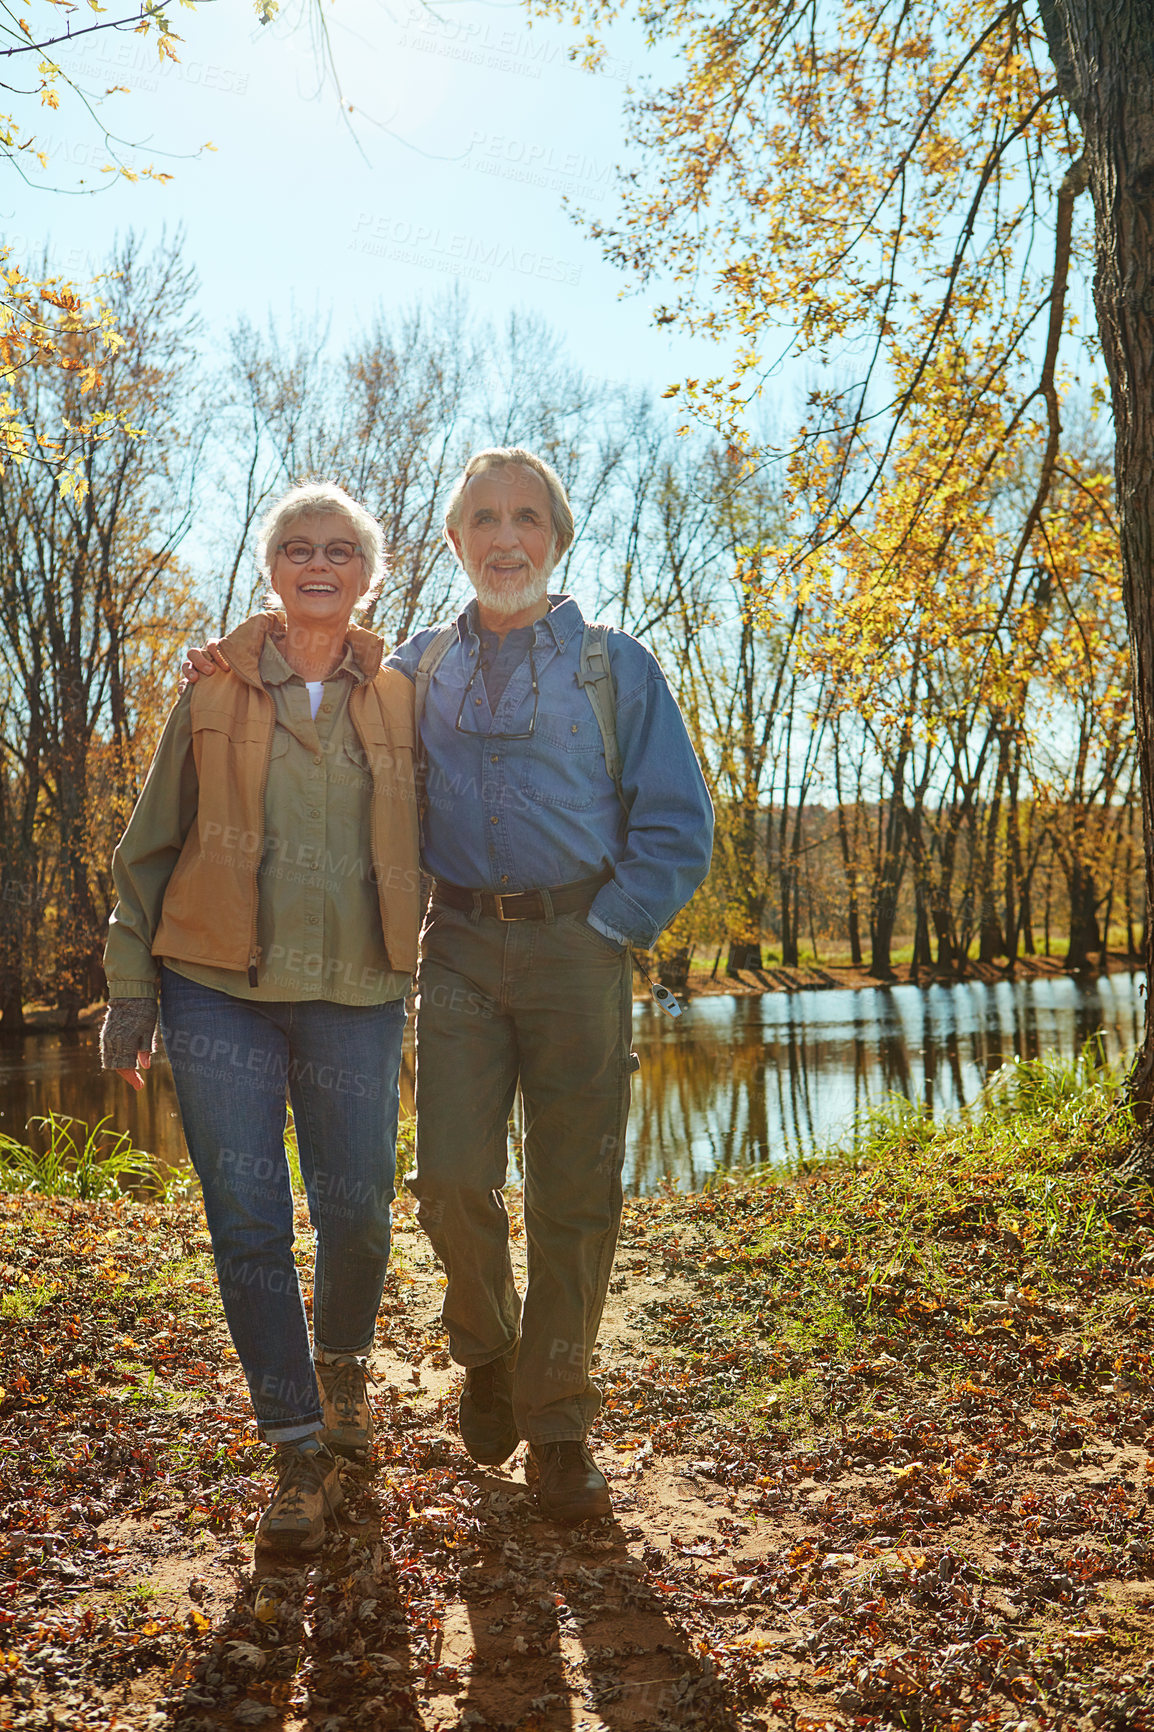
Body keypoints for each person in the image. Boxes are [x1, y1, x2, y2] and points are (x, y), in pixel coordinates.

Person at [188, 447, 714, 1524]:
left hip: (580, 946)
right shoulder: (415, 668)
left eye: (526, 517)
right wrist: (224, 665)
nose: (505, 536)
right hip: (458, 947)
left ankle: (558, 1422)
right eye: (483, 518)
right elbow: (311, 695)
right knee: (448, 1183)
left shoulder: (616, 667)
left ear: (555, 538)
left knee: (574, 1196)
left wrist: (607, 927)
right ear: (454, 541)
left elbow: (676, 828)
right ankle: (488, 1348)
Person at [101, 482, 420, 1553]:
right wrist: (131, 986)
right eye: (296, 547)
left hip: (360, 992)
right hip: (213, 987)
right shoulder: (211, 688)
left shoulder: (403, 696)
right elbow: (148, 846)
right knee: (247, 1220)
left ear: (368, 574)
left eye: (339, 549)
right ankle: (293, 1449)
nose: (317, 563)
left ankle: (341, 1387)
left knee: (360, 1214)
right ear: (270, 569)